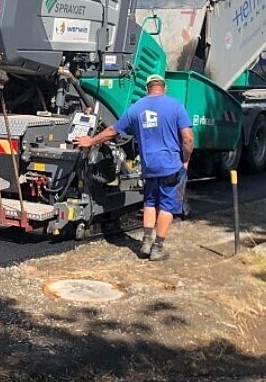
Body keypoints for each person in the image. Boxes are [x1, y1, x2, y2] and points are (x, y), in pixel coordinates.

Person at [76, 74, 194, 261]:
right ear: (164, 88)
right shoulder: (176, 106)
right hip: (171, 166)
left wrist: (90, 141)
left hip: (149, 167)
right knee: (167, 207)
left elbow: (112, 131)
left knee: (150, 203)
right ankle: (158, 248)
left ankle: (146, 242)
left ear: (147, 89)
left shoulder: (137, 108)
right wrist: (185, 160)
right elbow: (187, 138)